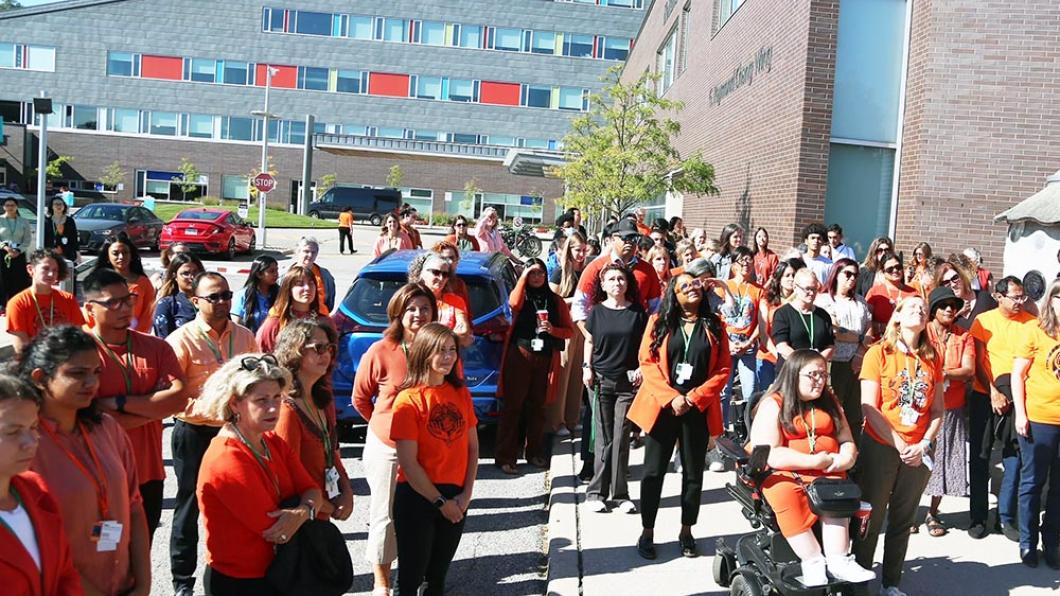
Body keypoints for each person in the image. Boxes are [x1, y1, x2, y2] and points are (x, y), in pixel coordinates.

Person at [22, 327, 150, 595]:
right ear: (40, 378)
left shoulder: (107, 428)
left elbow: (135, 507)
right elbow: (36, 542)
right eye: (77, 373)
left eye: (96, 372)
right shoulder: (25, 445)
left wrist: (143, 585)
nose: (91, 382)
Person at [192, 354, 322, 595]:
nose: (273, 407)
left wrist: (303, 511)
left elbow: (314, 490)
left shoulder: (271, 441)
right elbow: (273, 528)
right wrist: (308, 510)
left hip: (280, 571)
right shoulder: (225, 457)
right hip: (240, 581)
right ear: (234, 403)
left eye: (276, 397)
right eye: (261, 400)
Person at [164, 272, 257, 596]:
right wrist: (214, 410)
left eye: (227, 296)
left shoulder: (245, 337)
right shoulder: (181, 340)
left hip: (233, 434)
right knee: (189, 505)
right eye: (214, 297)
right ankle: (182, 582)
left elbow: (256, 381)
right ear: (195, 301)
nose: (222, 302)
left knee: (238, 505)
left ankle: (233, 573)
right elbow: (172, 397)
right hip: (194, 432)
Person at [750, 349, 874, 586]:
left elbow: (847, 439)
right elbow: (771, 454)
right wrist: (813, 461)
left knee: (838, 492)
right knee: (784, 492)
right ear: (794, 375)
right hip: (785, 471)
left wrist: (846, 457)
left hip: (829, 470)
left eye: (823, 374)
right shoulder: (774, 403)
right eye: (813, 375)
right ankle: (813, 560)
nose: (820, 380)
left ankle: (839, 561)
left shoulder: (830, 402)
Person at [629, 271, 729, 559]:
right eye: (684, 286)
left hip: (697, 408)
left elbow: (723, 369)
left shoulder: (715, 325)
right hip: (663, 407)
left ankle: (687, 531)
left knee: (693, 473)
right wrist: (672, 398)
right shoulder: (658, 322)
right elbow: (647, 362)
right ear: (674, 294)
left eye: (695, 284)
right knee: (652, 472)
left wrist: (694, 397)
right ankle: (647, 531)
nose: (692, 288)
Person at [82, 268, 186, 540]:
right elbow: (85, 415)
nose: (125, 308)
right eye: (112, 302)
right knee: (103, 557)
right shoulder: (79, 352)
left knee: (141, 554)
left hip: (148, 476)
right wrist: (153, 410)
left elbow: (178, 399)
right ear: (89, 309)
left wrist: (116, 403)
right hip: (99, 477)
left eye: (128, 299)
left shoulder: (157, 348)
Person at [854, 296, 944, 596]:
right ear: (897, 317)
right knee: (871, 515)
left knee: (903, 519)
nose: (920, 310)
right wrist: (899, 442)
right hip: (882, 444)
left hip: (918, 450)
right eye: (913, 307)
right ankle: (859, 581)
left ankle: (891, 583)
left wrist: (924, 444)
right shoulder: (878, 353)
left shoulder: (932, 358)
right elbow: (868, 406)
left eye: (924, 308)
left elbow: (937, 411)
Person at [353, 283, 437, 595]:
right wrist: (387, 427)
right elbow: (361, 399)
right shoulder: (381, 350)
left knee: (420, 515)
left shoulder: (439, 347)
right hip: (387, 448)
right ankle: (381, 583)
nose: (418, 314)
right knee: (386, 517)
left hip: (428, 447)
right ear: (398, 313)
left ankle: (416, 576)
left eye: (424, 308)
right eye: (411, 308)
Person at [391, 323, 479, 596]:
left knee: (437, 578)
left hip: (455, 496)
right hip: (418, 497)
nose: (448, 357)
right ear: (424, 353)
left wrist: (465, 495)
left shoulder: (461, 393)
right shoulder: (408, 400)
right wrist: (440, 502)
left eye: (452, 350)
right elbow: (408, 463)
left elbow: (472, 448)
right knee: (410, 578)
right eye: (440, 351)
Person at [0, 369, 84, 596]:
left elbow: (66, 572)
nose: (30, 442)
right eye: (13, 431)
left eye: (33, 428)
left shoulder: (35, 489)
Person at [967, 276, 1036, 540]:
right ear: (998, 296)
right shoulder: (984, 322)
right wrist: (993, 392)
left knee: (1014, 458)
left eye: (1023, 297)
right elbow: (978, 360)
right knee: (981, 457)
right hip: (986, 394)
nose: (1020, 302)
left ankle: (1006, 518)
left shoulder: (1032, 323)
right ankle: (978, 517)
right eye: (1015, 297)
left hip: (1019, 397)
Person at [497, 259, 574, 474]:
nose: (537, 277)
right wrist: (522, 277)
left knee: (538, 407)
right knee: (513, 407)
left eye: (540, 273)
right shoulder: (522, 297)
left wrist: (553, 330)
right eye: (532, 274)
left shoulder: (555, 300)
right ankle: (506, 456)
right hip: (519, 356)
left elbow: (569, 331)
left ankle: (534, 452)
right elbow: (513, 304)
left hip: (545, 358)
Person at [582, 264, 648, 510]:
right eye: (611, 279)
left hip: (627, 383)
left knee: (621, 438)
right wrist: (586, 367)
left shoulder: (637, 313)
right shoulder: (597, 312)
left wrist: (642, 367)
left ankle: (620, 495)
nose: (617, 283)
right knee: (603, 439)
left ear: (627, 283)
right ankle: (596, 494)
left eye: (621, 279)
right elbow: (589, 340)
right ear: (603, 284)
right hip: (599, 382)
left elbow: (645, 344)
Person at [274, 320, 354, 522]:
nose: (326, 354)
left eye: (329, 348)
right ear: (295, 351)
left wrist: (346, 491)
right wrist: (327, 507)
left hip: (321, 513)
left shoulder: (322, 398)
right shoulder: (287, 410)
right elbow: (286, 477)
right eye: (318, 348)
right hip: (301, 519)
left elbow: (332, 452)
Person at [915, 286, 974, 539]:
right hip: (920, 407)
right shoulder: (921, 332)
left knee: (943, 461)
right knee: (915, 461)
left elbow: (969, 369)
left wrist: (945, 373)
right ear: (933, 310)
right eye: (944, 305)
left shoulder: (964, 336)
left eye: (953, 305)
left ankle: (932, 512)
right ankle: (907, 512)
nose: (950, 309)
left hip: (951, 407)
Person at [1012, 278, 1060, 569]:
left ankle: (1052, 540)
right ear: (1051, 299)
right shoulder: (1036, 330)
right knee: (1032, 483)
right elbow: (1017, 374)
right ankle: (1028, 542)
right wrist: (1021, 413)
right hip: (1039, 419)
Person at [815, 258, 872, 443]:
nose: (852, 278)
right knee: (833, 409)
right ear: (836, 274)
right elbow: (833, 331)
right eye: (847, 274)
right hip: (833, 362)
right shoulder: (825, 301)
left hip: (856, 363)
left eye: (855, 275)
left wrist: (859, 351)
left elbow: (870, 332)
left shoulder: (861, 303)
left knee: (854, 412)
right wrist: (858, 336)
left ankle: (852, 456)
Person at [717, 246, 763, 435]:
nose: (745, 264)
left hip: (748, 346)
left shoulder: (758, 290)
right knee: (724, 391)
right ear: (733, 264)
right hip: (727, 344)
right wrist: (727, 343)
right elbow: (716, 319)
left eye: (749, 260)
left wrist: (749, 342)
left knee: (750, 391)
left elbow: (761, 322)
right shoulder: (723, 287)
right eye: (741, 260)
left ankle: (747, 431)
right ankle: (721, 430)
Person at [548, 232, 590, 436]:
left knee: (577, 373)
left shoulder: (585, 272)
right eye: (577, 250)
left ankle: (572, 419)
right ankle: (558, 421)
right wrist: (575, 301)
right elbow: (552, 302)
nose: (581, 254)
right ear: (569, 250)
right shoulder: (559, 272)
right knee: (563, 374)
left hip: (582, 327)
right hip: (565, 327)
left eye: (584, 250)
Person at [5, 249, 85, 353]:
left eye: (55, 270)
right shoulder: (17, 303)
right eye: (45, 269)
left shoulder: (68, 299)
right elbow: (21, 349)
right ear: (30, 270)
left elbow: (78, 337)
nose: (51, 274)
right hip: (35, 363)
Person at [255, 265, 333, 352]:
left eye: (311, 283)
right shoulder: (275, 323)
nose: (307, 288)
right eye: (299, 284)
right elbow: (261, 354)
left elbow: (334, 356)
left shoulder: (326, 322)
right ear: (288, 290)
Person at [771, 268, 835, 370]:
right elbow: (782, 346)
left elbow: (830, 346)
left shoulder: (823, 315)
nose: (811, 293)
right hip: (790, 371)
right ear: (795, 288)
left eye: (814, 289)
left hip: (816, 372)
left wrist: (816, 362)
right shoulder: (783, 314)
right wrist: (804, 363)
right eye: (807, 289)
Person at [757, 258, 805, 393]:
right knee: (767, 396)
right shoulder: (767, 300)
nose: (791, 279)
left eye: (794, 275)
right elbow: (763, 334)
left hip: (791, 357)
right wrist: (778, 354)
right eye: (787, 275)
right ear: (779, 278)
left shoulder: (801, 302)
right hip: (768, 355)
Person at [91, 235, 156, 334]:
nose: (121, 257)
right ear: (108, 257)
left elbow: (148, 314)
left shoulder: (143, 282)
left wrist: (135, 338)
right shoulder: (97, 281)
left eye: (125, 253)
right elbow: (92, 313)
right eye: (115, 253)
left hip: (135, 340)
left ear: (131, 256)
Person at [415, 253, 472, 347]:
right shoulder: (412, 300)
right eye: (436, 272)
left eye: (445, 274)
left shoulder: (456, 301)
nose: (441, 278)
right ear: (422, 273)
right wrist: (451, 336)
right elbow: (411, 333)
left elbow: (463, 331)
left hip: (449, 359)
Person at [151, 253, 204, 338]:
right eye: (186, 273)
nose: (192, 277)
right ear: (175, 276)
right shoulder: (166, 304)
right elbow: (163, 341)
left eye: (195, 272)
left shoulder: (212, 298)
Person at [865, 252, 918, 336]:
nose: (895, 270)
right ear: (883, 272)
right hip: (880, 342)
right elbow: (865, 321)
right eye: (890, 269)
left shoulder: (913, 293)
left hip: (905, 341)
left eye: (898, 267)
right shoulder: (874, 292)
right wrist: (884, 327)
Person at [936, 256, 997, 330]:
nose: (953, 285)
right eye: (946, 282)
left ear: (962, 277)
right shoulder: (943, 308)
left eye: (955, 278)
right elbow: (940, 330)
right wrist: (957, 314)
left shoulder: (985, 298)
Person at [231, 255, 279, 334]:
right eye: (271, 271)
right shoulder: (243, 295)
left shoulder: (280, 293)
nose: (276, 274)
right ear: (259, 274)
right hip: (249, 342)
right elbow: (236, 325)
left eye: (276, 270)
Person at [0, 196, 33, 306]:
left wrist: (18, 250)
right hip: (4, 252)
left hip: (19, 253)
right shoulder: (0, 220)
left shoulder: (24, 221)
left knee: (18, 279)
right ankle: (2, 304)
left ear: (17, 207)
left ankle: (16, 303)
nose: (10, 207)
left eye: (12, 205)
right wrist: (5, 247)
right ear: (4, 207)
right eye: (7, 205)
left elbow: (27, 239)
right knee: (3, 279)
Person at [290, 236, 336, 314]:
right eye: (306, 251)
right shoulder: (286, 274)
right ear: (298, 252)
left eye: (313, 252)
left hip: (320, 318)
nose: (310, 255)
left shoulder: (325, 275)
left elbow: (329, 301)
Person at [430, 240, 471, 308]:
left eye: (451, 258)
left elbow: (467, 312)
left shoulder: (459, 285)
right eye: (444, 258)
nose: (449, 262)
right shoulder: (428, 284)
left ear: (457, 261)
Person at [43, 196, 79, 263]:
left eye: (61, 204)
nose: (59, 206)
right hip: (51, 254)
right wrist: (50, 249)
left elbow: (74, 238)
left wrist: (78, 254)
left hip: (68, 254)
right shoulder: (47, 221)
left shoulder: (70, 221)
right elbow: (45, 239)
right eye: (56, 204)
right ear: (51, 206)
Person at [801, 223, 834, 287]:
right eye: (812, 238)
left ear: (823, 242)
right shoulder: (800, 260)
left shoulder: (829, 264)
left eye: (819, 238)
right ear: (806, 241)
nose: (816, 241)